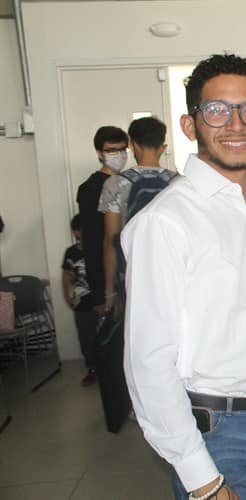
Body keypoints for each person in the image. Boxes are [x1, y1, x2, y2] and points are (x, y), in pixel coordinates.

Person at [121, 54, 246, 500]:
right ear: (189, 124)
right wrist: (200, 476)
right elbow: (148, 359)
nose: (236, 124)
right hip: (218, 435)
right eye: (217, 110)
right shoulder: (164, 221)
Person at [99, 116, 175, 312]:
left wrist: (109, 291)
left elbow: (110, 239)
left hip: (132, 276)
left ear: (132, 144)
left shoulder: (115, 184)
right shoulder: (179, 184)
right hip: (173, 272)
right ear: (163, 146)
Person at [75, 125, 128, 385]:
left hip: (127, 273)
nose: (118, 155)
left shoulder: (128, 182)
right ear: (99, 152)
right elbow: (95, 241)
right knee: (112, 347)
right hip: (105, 277)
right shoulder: (91, 188)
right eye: (111, 150)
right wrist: (102, 290)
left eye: (122, 149)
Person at [61, 214, 98, 386]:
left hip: (100, 300)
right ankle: (92, 368)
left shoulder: (98, 249)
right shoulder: (71, 253)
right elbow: (66, 276)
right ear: (76, 233)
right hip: (81, 303)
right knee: (86, 337)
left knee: (103, 335)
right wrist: (67, 296)